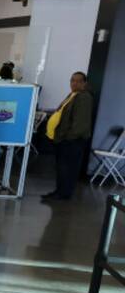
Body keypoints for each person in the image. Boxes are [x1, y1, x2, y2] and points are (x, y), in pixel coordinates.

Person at [43, 71, 95, 201]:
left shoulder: (84, 97)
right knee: (62, 168)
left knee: (68, 169)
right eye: (72, 80)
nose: (74, 83)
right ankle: (59, 192)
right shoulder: (73, 95)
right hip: (64, 139)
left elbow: (80, 123)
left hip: (73, 141)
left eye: (78, 81)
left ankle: (63, 194)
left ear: (84, 83)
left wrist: (67, 138)